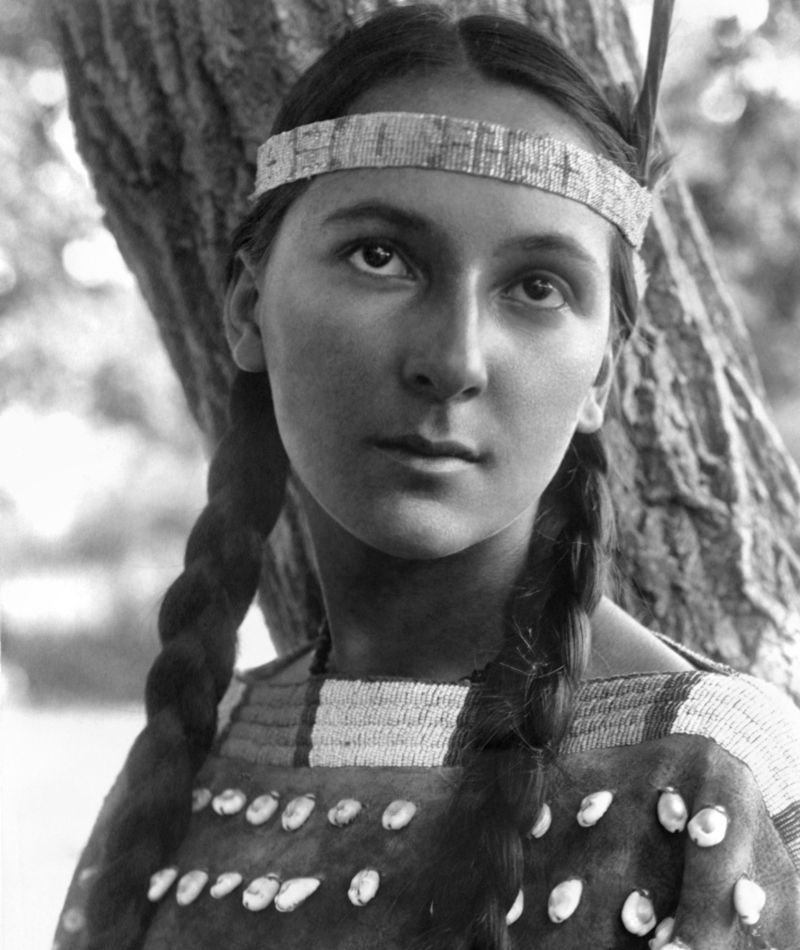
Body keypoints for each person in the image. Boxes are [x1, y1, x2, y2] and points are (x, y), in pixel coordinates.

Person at [54, 4, 800, 949]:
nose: (454, 360)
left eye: (537, 286)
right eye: (382, 256)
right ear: (247, 307)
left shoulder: (711, 777)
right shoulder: (190, 755)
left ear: (601, 374)